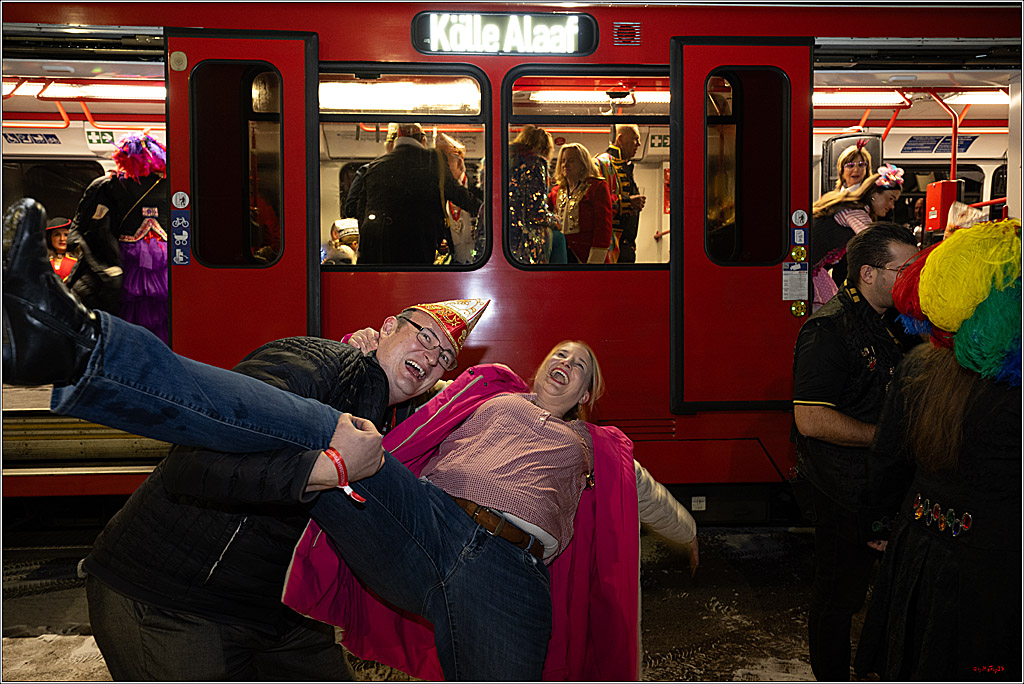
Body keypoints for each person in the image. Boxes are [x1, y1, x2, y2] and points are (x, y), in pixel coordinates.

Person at [3, 196, 490, 681]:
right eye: (423, 335)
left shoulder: (397, 419)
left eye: (444, 356)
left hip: (273, 610)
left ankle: (67, 341)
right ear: (386, 328)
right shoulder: (318, 362)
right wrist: (329, 470)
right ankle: (65, 337)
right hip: (170, 599)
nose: (430, 356)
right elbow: (192, 466)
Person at [854, 218, 1021, 681]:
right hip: (995, 568)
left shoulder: (920, 365)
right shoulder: (1013, 389)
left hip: (919, 549)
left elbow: (887, 459)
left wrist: (880, 523)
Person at [791, 221, 921, 682]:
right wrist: (884, 437)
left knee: (889, 594)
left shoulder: (900, 325)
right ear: (868, 273)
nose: (914, 276)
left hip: (887, 487)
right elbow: (811, 419)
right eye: (904, 268)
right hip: (843, 490)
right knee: (838, 599)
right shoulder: (827, 331)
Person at [66, 131, 169, 343]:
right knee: (158, 313)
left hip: (126, 261)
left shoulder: (108, 186)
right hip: (158, 263)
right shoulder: (168, 185)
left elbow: (82, 227)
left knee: (129, 311)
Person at [356, 122, 481, 265]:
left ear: (398, 138)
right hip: (417, 243)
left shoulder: (376, 165)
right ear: (423, 140)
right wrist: (484, 211)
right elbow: (456, 193)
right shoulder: (434, 159)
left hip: (378, 245)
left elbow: (360, 208)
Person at [809, 163, 904, 311]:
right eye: (890, 198)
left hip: (812, 269)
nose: (891, 206)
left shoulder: (848, 206)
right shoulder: (855, 211)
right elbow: (871, 239)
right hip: (809, 271)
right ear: (873, 194)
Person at [548, 142, 613, 264]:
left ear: (583, 164)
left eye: (571, 160)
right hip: (561, 255)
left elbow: (603, 227)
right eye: (563, 161)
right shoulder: (555, 191)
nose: (565, 164)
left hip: (588, 256)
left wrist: (595, 261)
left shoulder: (597, 187)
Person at [595, 124, 647, 263]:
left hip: (626, 247)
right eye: (635, 139)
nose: (639, 144)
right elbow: (595, 202)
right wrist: (626, 202)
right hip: (609, 247)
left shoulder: (625, 165)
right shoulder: (601, 163)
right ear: (620, 139)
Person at [508, 124, 559, 264]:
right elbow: (536, 212)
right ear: (544, 149)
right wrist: (556, 221)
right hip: (523, 238)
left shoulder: (502, 159)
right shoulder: (535, 165)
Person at [434, 132, 478, 265]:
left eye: (445, 164)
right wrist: (439, 242)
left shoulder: (479, 188)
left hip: (479, 261)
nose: (441, 169)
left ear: (459, 162)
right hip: (453, 264)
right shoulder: (437, 191)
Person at [45, 216, 77, 280]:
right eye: (57, 235)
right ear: (50, 238)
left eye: (66, 235)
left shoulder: (77, 263)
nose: (62, 239)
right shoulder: (44, 263)